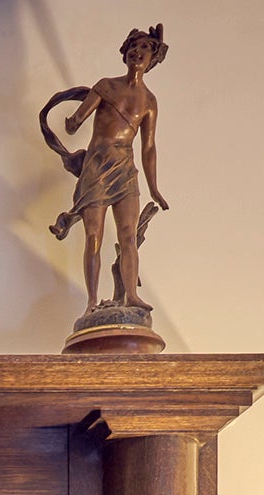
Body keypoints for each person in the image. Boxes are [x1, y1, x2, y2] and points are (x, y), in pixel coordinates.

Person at [50, 26, 169, 313]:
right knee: (94, 234)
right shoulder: (105, 86)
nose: (137, 52)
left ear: (152, 59)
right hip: (98, 164)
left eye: (145, 48)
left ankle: (130, 295)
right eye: (134, 46)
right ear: (126, 51)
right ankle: (91, 302)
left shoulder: (149, 101)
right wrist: (70, 124)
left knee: (128, 235)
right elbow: (77, 118)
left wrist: (154, 187)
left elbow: (149, 147)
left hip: (125, 167)